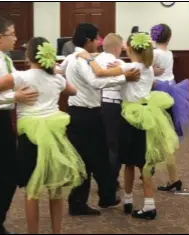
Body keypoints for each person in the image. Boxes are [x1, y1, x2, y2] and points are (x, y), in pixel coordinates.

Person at [0, 36, 87, 234]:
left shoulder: (21, 77)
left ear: (29, 56)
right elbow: (73, 91)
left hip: (31, 137)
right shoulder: (57, 78)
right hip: (55, 135)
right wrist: (58, 73)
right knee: (55, 190)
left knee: (32, 190)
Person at [78, 32, 179, 220]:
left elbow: (101, 73)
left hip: (131, 118)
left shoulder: (132, 66)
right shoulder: (145, 67)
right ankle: (141, 202)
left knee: (130, 162)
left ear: (129, 49)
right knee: (142, 162)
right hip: (146, 114)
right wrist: (122, 66)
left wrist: (87, 59)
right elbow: (129, 67)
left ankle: (132, 200)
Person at [63, 23, 140, 216]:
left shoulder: (73, 56)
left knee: (88, 160)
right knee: (98, 158)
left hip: (78, 113)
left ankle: (86, 200)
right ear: (88, 40)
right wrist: (124, 78)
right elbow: (95, 82)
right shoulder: (82, 60)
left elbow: (59, 70)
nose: (98, 42)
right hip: (86, 115)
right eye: (97, 38)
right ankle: (100, 198)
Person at [0, 17, 39, 234]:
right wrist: (15, 97)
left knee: (9, 176)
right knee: (7, 176)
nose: (16, 38)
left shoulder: (4, 59)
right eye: (12, 34)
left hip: (0, 120)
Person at [150, 23, 189, 192]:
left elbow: (148, 73)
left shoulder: (154, 53)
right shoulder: (169, 53)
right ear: (169, 38)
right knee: (163, 132)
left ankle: (166, 174)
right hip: (172, 90)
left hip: (158, 92)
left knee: (157, 133)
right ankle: (155, 168)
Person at [98, 33, 127, 190]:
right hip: (114, 105)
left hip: (96, 104)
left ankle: (102, 178)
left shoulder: (95, 60)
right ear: (116, 48)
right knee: (114, 145)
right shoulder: (118, 63)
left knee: (101, 143)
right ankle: (111, 181)